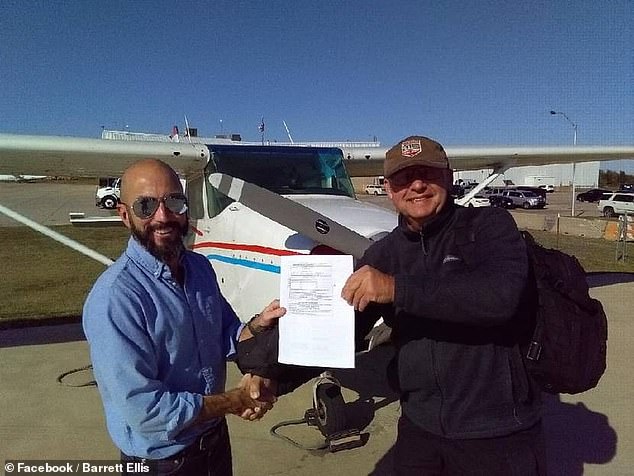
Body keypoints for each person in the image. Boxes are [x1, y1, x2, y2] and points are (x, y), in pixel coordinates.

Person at [341, 136, 545, 475]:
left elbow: (499, 297)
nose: (417, 184)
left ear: (448, 178)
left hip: (497, 433)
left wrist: (396, 288)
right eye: (404, 178)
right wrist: (263, 359)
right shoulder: (383, 254)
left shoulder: (489, 226)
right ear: (389, 189)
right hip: (419, 430)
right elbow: (341, 328)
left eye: (428, 173)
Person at [83, 159, 283, 476]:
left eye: (174, 202)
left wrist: (258, 325)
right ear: (124, 215)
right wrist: (236, 400)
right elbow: (146, 412)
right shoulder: (115, 298)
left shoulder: (199, 268)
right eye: (145, 205)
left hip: (214, 445)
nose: (163, 217)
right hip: (162, 464)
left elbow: (225, 334)